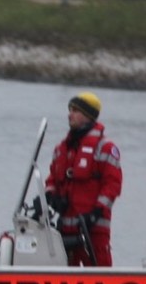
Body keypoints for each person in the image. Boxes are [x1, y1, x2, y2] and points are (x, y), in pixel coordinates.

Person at [45, 91, 122, 267]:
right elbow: (52, 179)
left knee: (100, 274)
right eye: (70, 110)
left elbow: (113, 185)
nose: (69, 114)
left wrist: (96, 213)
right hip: (65, 229)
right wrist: (50, 196)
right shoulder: (62, 149)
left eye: (75, 111)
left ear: (88, 116)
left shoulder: (105, 148)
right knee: (64, 273)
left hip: (94, 230)